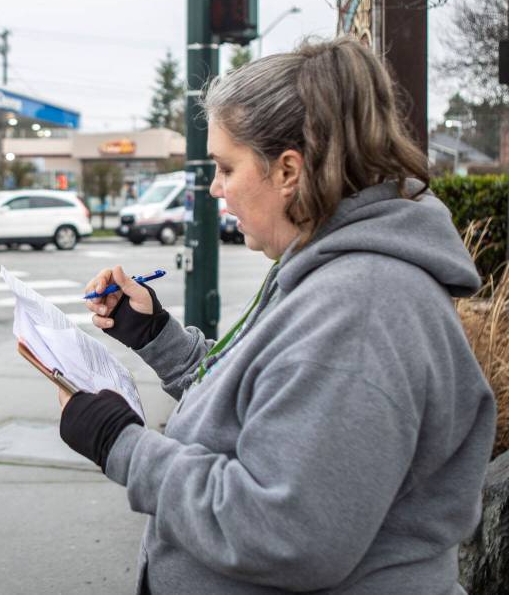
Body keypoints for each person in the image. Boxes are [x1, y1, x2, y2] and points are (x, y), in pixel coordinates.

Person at [58, 37, 496, 594]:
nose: (216, 187)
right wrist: (155, 335)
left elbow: (282, 532)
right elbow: (263, 403)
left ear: (288, 169)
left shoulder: (361, 309)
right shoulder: (328, 268)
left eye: (225, 166)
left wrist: (120, 443)